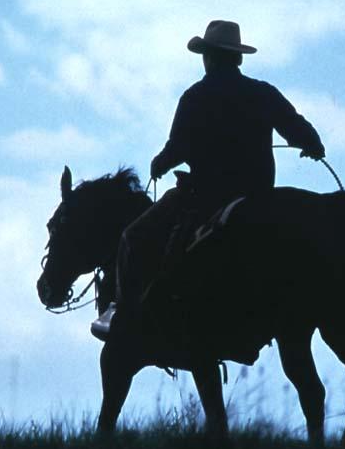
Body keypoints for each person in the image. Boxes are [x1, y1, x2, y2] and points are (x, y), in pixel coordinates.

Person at [103, 20, 326, 339]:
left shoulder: (195, 96)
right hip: (258, 194)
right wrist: (313, 146)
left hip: (205, 196)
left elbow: (178, 147)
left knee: (132, 238)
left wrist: (159, 164)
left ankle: (123, 318)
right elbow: (298, 128)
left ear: (207, 57)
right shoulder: (263, 93)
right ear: (237, 58)